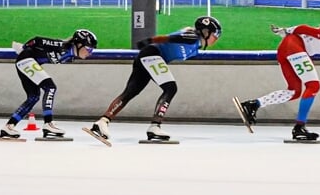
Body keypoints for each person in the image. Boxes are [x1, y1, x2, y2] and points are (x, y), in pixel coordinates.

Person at [84, 15, 221, 146]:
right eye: (215, 36)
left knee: (131, 92)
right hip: (152, 54)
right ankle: (155, 126)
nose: (216, 39)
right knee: (170, 88)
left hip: (147, 56)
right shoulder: (192, 36)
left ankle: (102, 122)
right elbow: (169, 38)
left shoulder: (196, 47)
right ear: (205, 32)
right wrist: (148, 41)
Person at [234, 14, 320, 142]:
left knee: (294, 92)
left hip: (287, 49)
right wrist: (287, 31)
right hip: (293, 46)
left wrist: (288, 34)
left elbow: (309, 40)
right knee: (313, 86)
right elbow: (304, 28)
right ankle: (299, 127)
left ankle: (253, 105)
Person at [0, 28, 97, 141]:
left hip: (28, 61)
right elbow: (37, 40)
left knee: (33, 97)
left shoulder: (70, 57)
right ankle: (48, 124)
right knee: (50, 87)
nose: (90, 53)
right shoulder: (61, 46)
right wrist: (24, 48)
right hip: (26, 58)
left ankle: (9, 126)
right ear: (79, 44)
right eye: (89, 49)